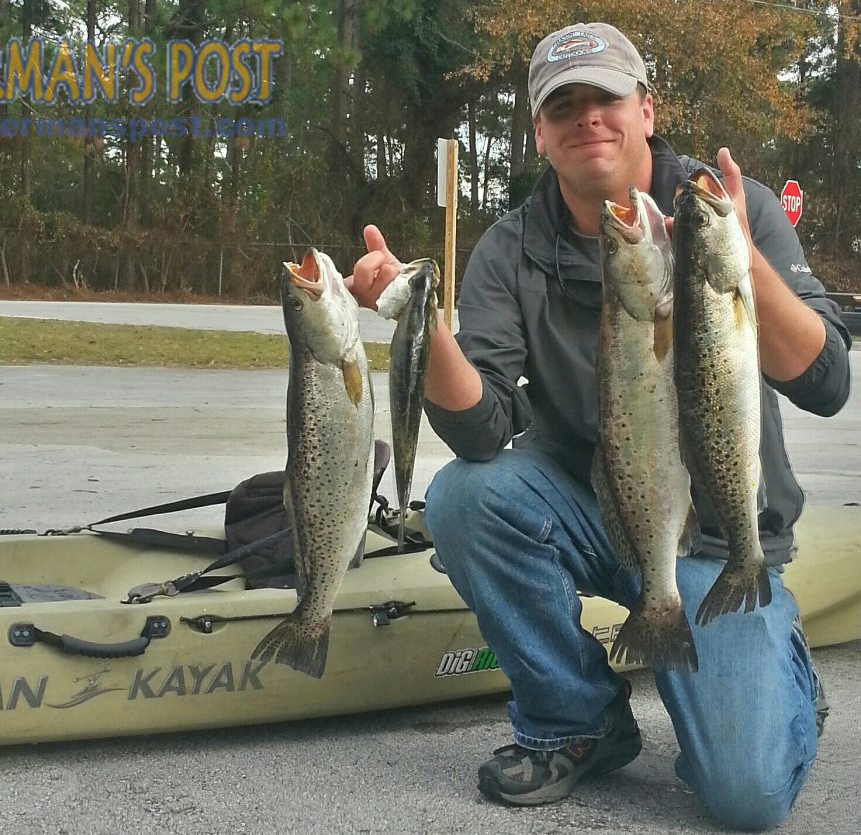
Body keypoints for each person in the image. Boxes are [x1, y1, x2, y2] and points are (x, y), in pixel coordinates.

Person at [348, 21, 851, 831]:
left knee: (747, 797)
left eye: (607, 98)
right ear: (540, 133)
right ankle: (576, 718)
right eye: (566, 105)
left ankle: (775, 674)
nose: (590, 118)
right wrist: (421, 322)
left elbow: (828, 382)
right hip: (591, 507)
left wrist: (738, 260)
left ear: (646, 109)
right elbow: (482, 431)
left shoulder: (732, 207)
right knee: (467, 498)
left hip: (721, 542)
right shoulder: (511, 247)